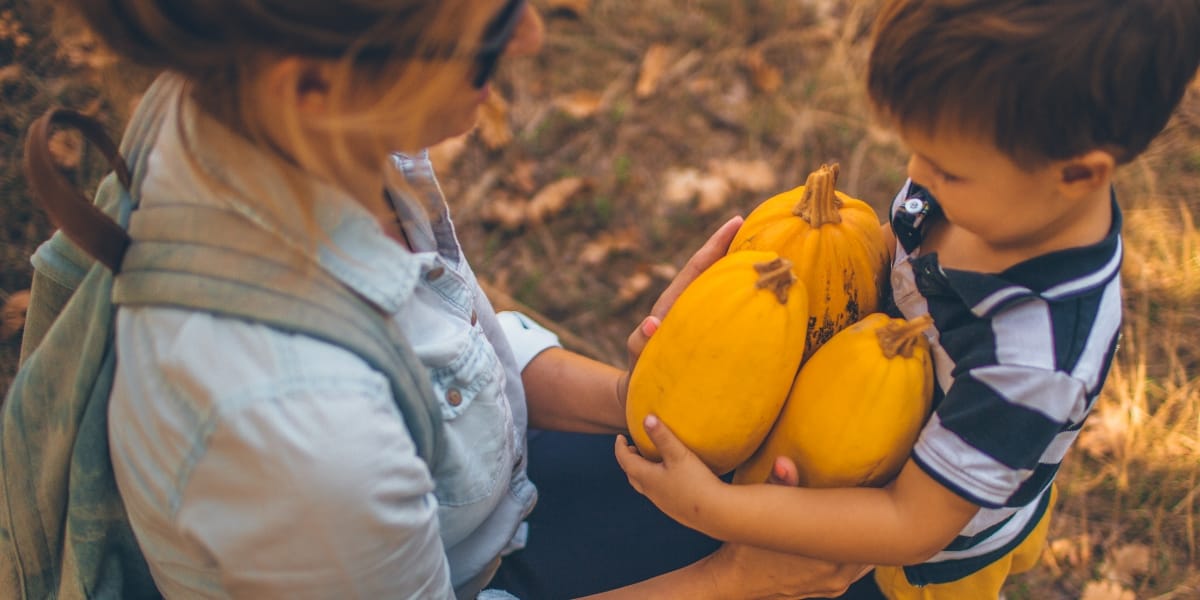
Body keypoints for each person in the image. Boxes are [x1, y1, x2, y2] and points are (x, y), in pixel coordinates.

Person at [41, 0, 867, 598]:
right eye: (492, 30)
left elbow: (450, 355)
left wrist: (638, 399)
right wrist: (740, 582)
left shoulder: (290, 122)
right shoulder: (301, 436)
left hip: (492, 521)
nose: (534, 36)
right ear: (316, 84)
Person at [615, 0, 1200, 599]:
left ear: (1076, 175)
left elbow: (910, 525)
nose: (915, 171)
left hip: (930, 560)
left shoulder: (1036, 357)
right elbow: (883, 278)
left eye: (945, 168)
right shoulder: (976, 182)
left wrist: (715, 509)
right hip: (885, 443)